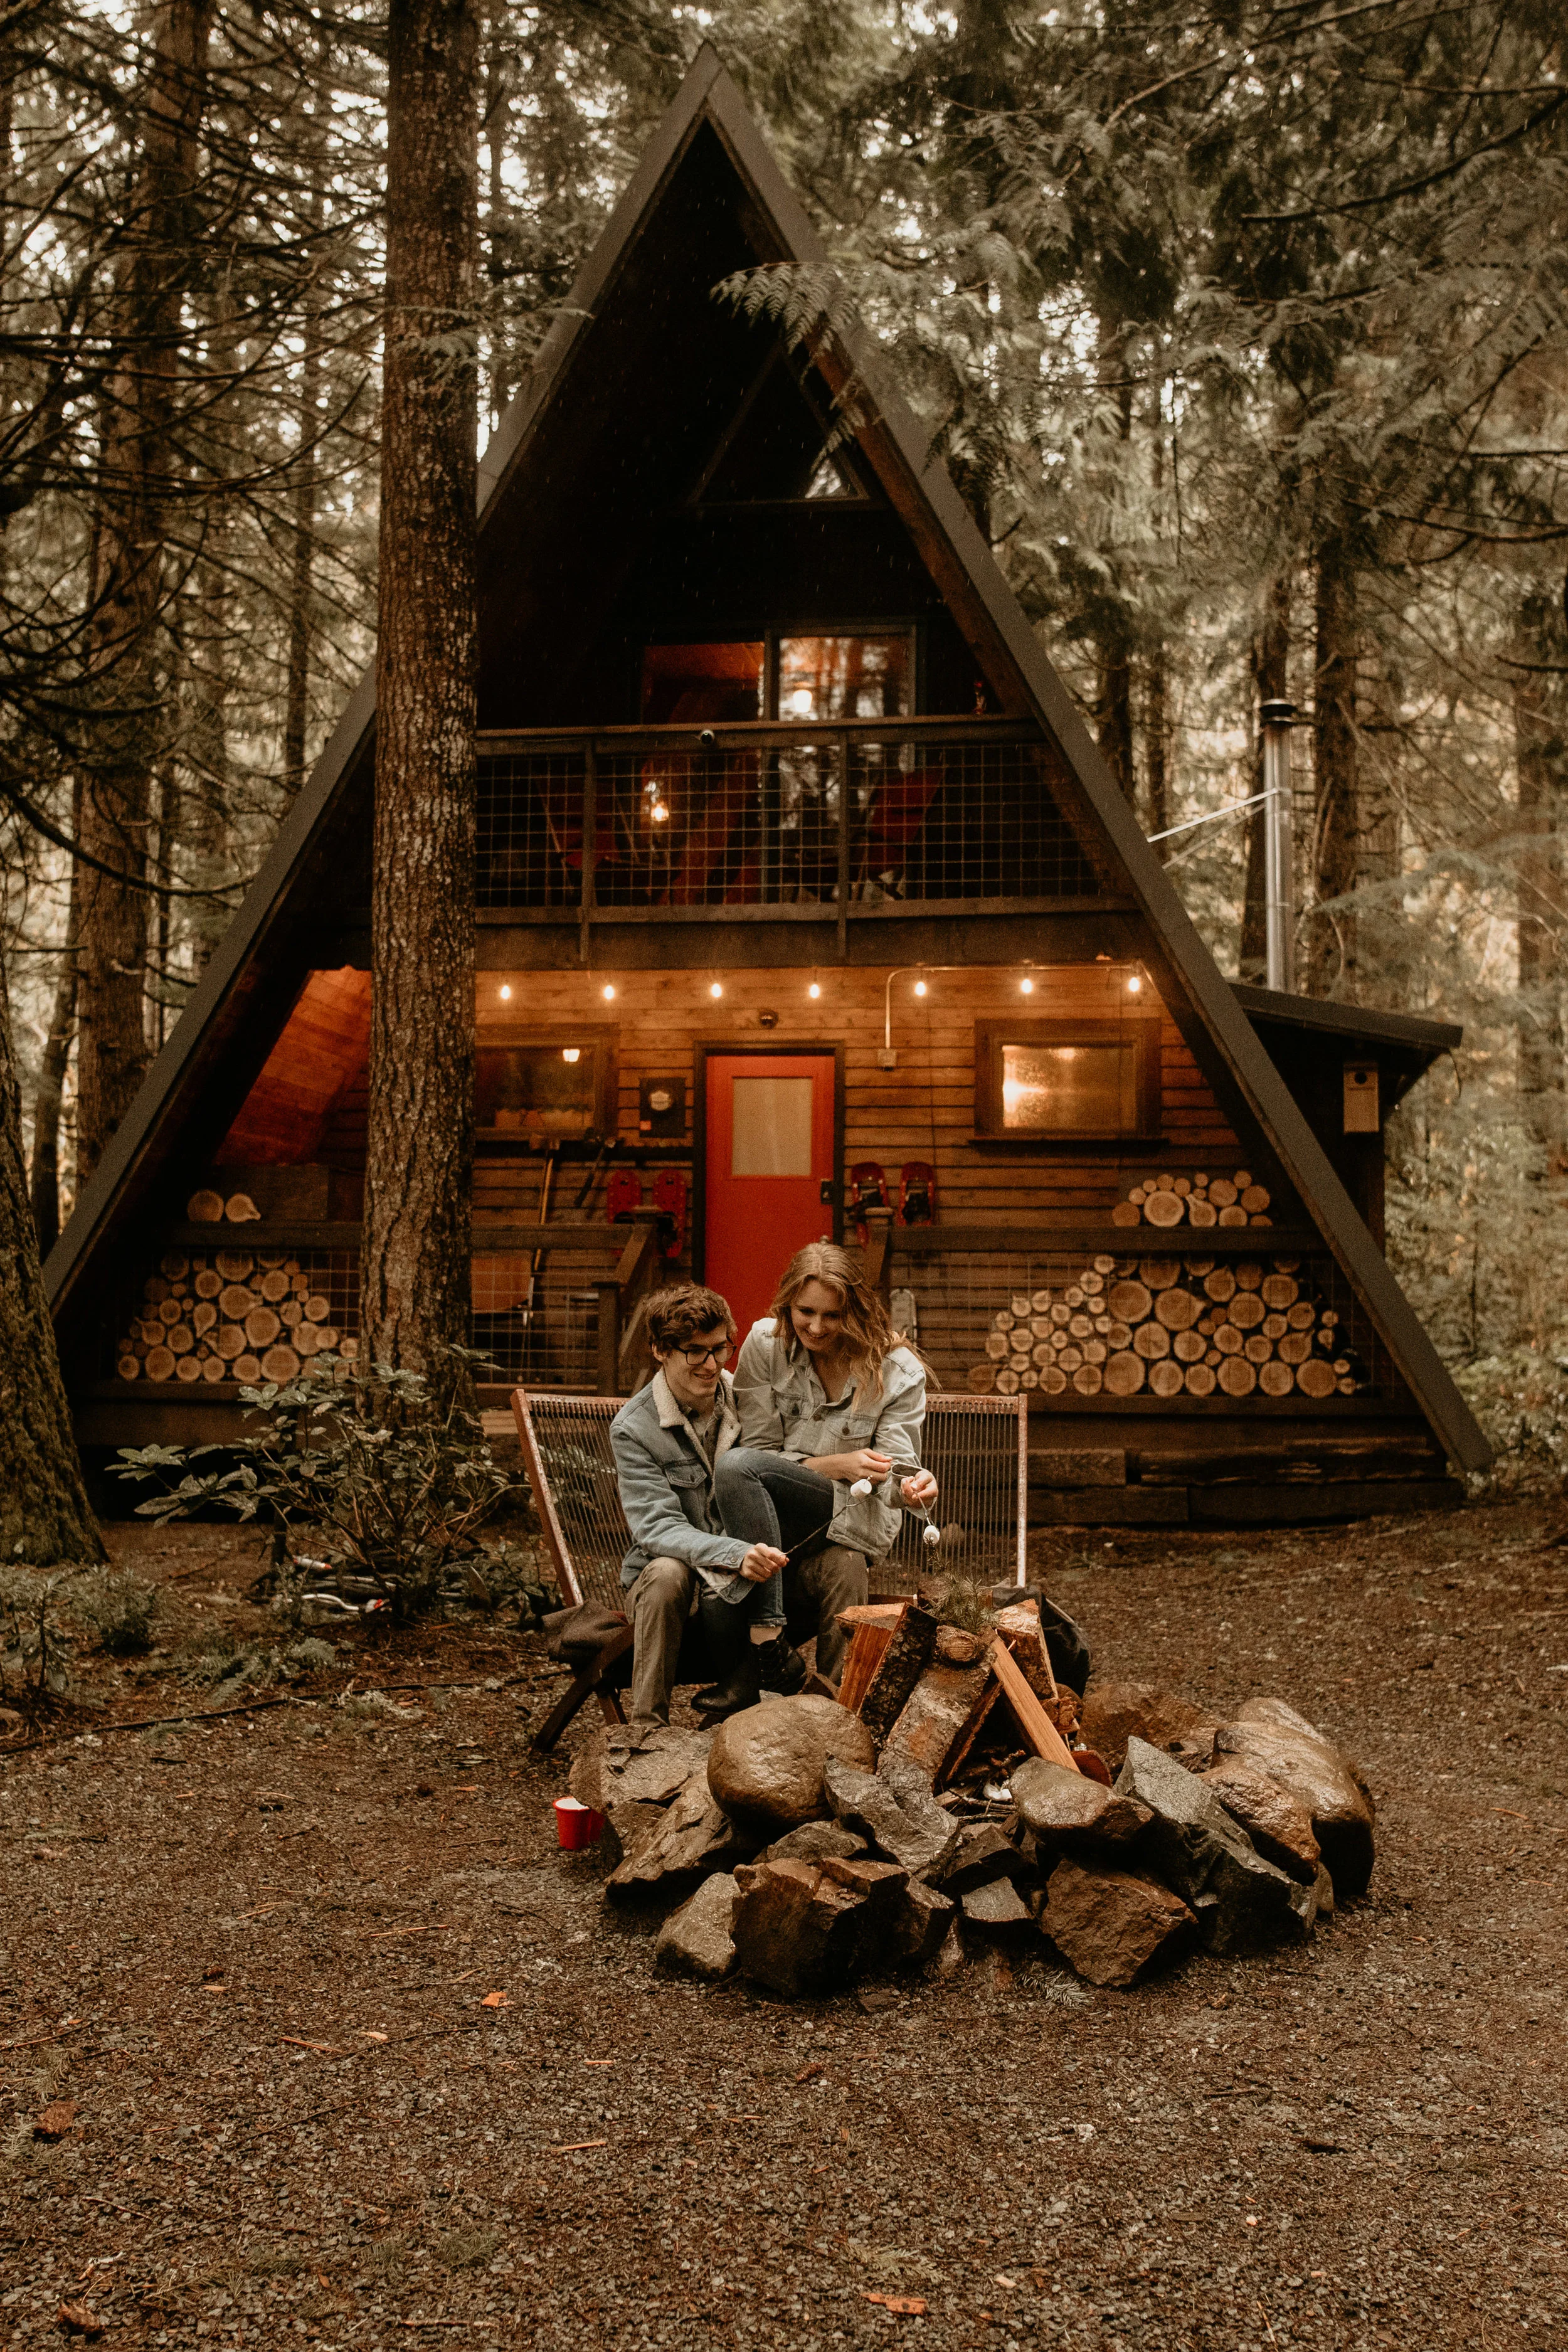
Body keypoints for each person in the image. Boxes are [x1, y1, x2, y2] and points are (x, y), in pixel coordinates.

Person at [724, 1241, 937, 1691]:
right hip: (769, 1523)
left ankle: (833, 1711)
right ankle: (772, 1655)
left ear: (855, 1311)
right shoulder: (765, 1345)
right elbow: (757, 1454)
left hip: (849, 1519)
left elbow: (895, 1474)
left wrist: (913, 1489)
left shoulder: (897, 1371)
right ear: (787, 1304)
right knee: (842, 1565)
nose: (816, 1327)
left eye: (832, 1316)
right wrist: (836, 1464)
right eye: (806, 1311)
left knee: (848, 1555)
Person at [609, 1282, 807, 1727]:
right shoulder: (634, 1428)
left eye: (721, 1349)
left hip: (747, 1580)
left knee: (833, 1563)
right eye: (695, 1352)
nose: (712, 1365)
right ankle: (647, 1732)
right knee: (665, 1572)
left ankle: (811, 1726)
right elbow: (656, 1529)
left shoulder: (746, 1400)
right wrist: (733, 1554)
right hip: (677, 1577)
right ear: (660, 1350)